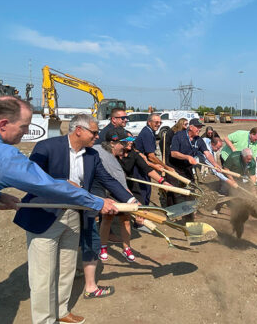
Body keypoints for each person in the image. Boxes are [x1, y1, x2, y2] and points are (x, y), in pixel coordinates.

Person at [14, 114, 133, 324]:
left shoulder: (91, 155)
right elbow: (30, 178)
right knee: (43, 276)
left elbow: (106, 178)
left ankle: (61, 311)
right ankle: (44, 321)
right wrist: (63, 183)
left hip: (74, 215)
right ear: (79, 130)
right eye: (94, 133)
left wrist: (130, 199)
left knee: (67, 269)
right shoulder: (46, 147)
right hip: (45, 215)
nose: (97, 137)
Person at [93, 127, 139, 264]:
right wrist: (137, 205)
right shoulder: (110, 161)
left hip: (113, 190)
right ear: (112, 143)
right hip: (107, 192)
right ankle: (103, 247)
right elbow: (121, 186)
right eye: (123, 144)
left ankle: (127, 248)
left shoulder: (98, 148)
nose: (126, 147)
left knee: (125, 219)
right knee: (107, 218)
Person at [169, 119, 220, 219]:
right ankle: (172, 213)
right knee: (174, 192)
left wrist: (215, 164)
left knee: (191, 190)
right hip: (175, 168)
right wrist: (187, 157)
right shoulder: (179, 136)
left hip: (187, 169)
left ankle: (189, 214)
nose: (199, 129)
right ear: (190, 127)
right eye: (197, 127)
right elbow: (173, 153)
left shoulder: (198, 140)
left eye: (200, 127)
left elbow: (207, 153)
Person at [134, 113, 167, 204]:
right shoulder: (147, 133)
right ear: (149, 122)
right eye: (156, 122)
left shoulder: (150, 132)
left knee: (147, 190)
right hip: (139, 167)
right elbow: (151, 156)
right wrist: (165, 167)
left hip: (144, 165)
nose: (158, 124)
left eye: (160, 122)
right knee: (143, 191)